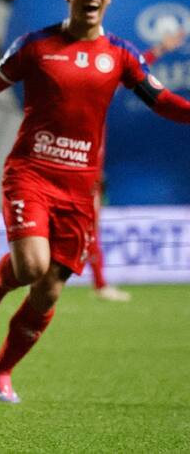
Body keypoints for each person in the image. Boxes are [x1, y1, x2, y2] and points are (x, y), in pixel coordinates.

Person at [0, 0, 190, 404]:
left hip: (81, 187)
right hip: (32, 172)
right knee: (29, 267)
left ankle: (0, 371)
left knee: (47, 293)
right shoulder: (35, 45)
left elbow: (160, 100)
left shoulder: (121, 55)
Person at [88, 28, 186, 302]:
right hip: (66, 170)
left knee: (88, 229)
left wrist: (161, 49)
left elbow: (134, 69)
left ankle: (99, 284)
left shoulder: (100, 87)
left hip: (88, 174)